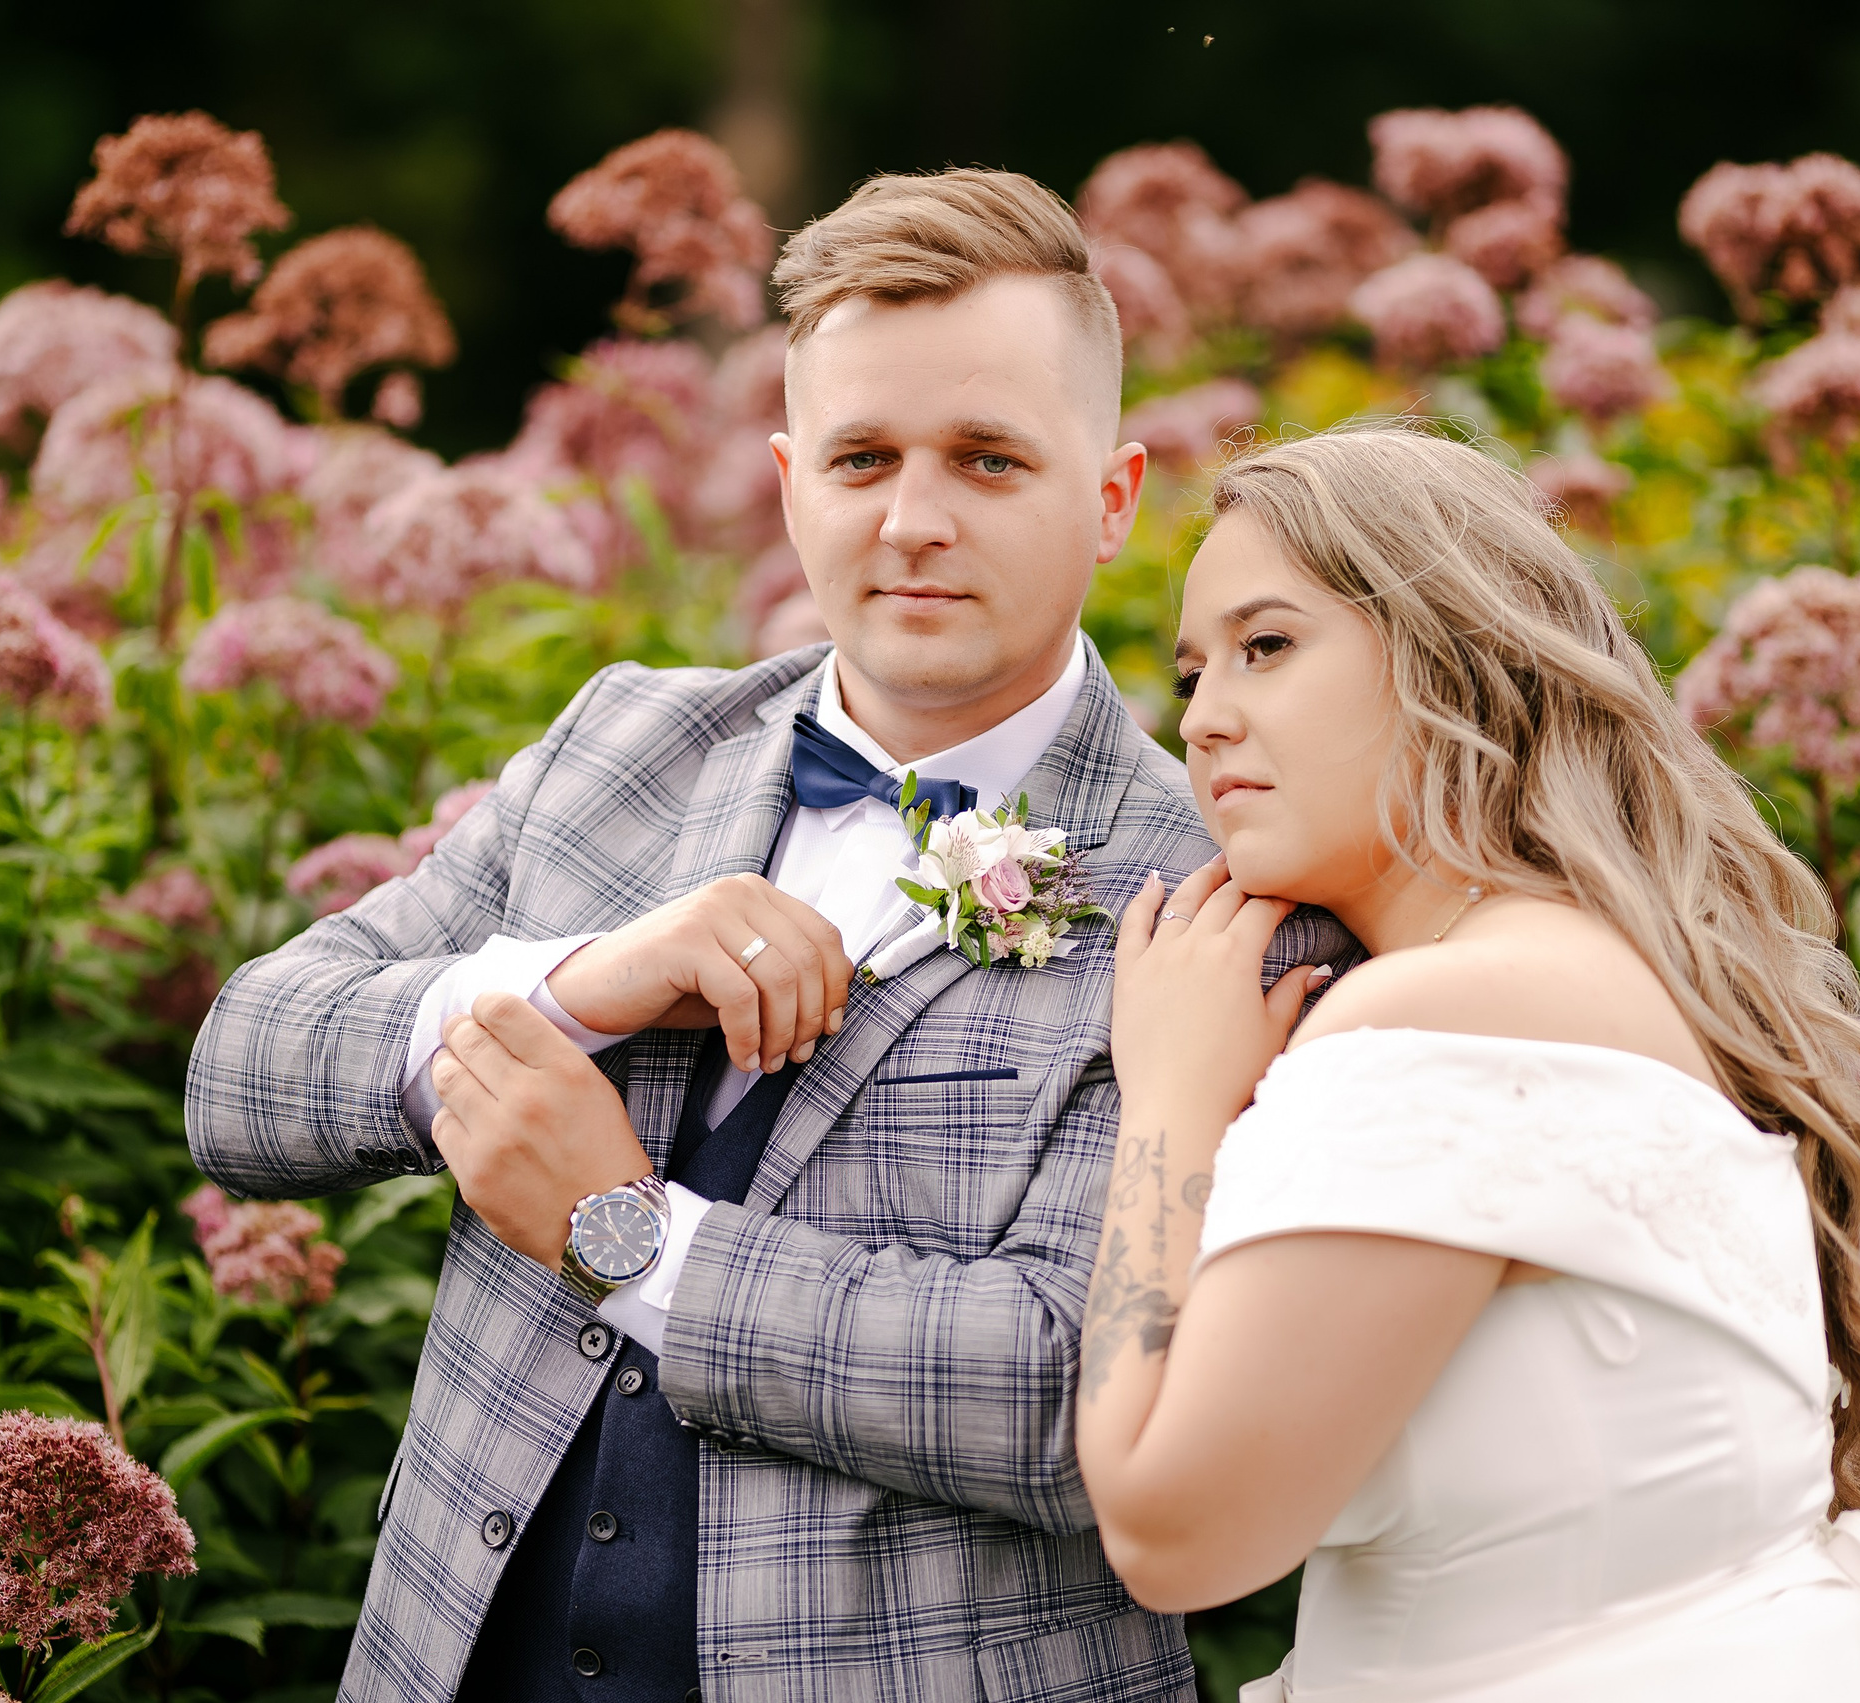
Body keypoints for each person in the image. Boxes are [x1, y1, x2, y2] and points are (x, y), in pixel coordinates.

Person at [186, 169, 1350, 1703]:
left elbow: (1068, 1400)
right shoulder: (620, 742)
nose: (914, 519)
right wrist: (574, 983)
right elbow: (239, 1076)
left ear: (1115, 495)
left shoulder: (1224, 885)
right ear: (793, 480)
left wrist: (621, 1232)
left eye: (989, 458)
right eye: (863, 457)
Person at [1073, 423, 1860, 1702]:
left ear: (1453, 653)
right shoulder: (1627, 972)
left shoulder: (1435, 1017)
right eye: (1192, 674)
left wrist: (1170, 1096)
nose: (1204, 719)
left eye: (1266, 645)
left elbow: (1168, 1527)